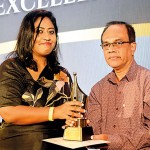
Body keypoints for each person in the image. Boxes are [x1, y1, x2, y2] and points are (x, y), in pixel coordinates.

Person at [0, 9, 85, 150]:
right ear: (27, 34)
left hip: (57, 143)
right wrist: (55, 112)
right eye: (39, 31)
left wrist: (72, 119)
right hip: (17, 143)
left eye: (51, 32)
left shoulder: (61, 74)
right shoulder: (12, 67)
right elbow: (8, 112)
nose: (47, 37)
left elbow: (70, 112)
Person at [86, 21, 150, 149]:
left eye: (118, 43)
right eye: (106, 44)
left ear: (133, 47)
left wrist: (112, 140)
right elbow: (94, 132)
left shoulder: (147, 81)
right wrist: (78, 126)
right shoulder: (97, 90)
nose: (111, 49)